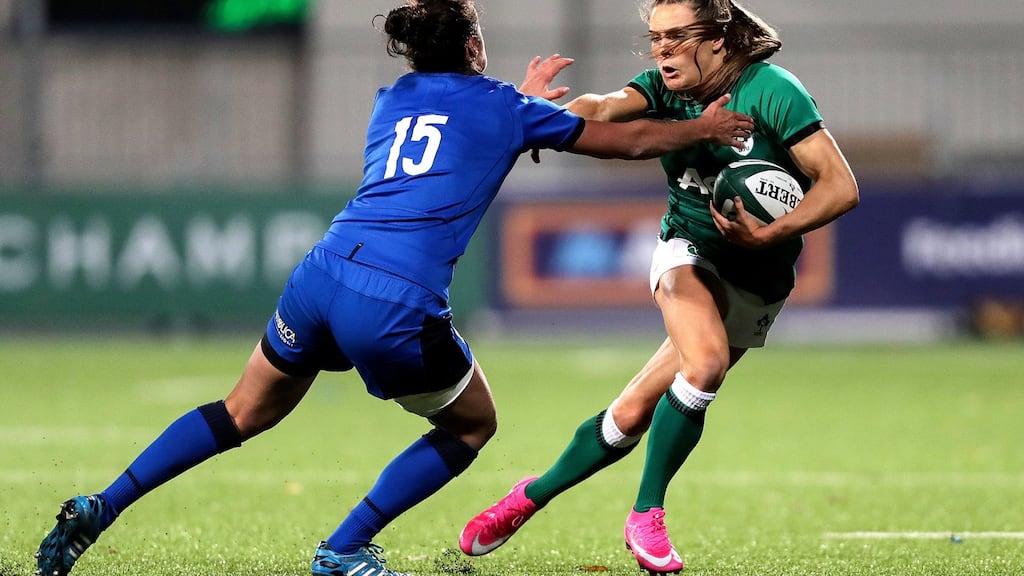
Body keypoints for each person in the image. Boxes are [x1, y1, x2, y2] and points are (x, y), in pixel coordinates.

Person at [33, 2, 754, 576]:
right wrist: (707, 125)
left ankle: (104, 504)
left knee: (241, 411)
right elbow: (623, 142)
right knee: (473, 424)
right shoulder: (504, 107)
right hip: (394, 300)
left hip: (321, 274)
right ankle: (345, 548)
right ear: (474, 43)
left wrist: (526, 107)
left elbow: (468, 132)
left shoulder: (395, 98)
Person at [459, 0, 860, 574]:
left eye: (677, 37)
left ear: (719, 39)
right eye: (655, 38)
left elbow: (840, 187)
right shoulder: (662, 89)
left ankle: (529, 496)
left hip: (760, 274)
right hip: (686, 252)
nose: (662, 51)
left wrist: (775, 232)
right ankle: (647, 513)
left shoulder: (773, 90)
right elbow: (604, 106)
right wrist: (552, 113)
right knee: (705, 366)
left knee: (633, 410)